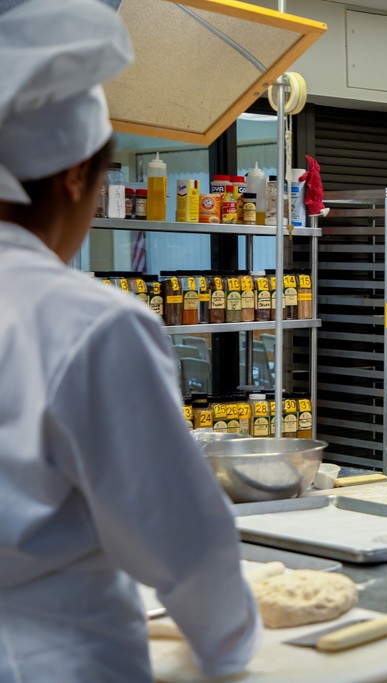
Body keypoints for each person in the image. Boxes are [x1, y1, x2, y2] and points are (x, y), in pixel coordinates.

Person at [0, 2, 260, 681]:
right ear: (75, 178)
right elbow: (180, 539)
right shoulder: (86, 319)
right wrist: (231, 645)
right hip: (52, 658)